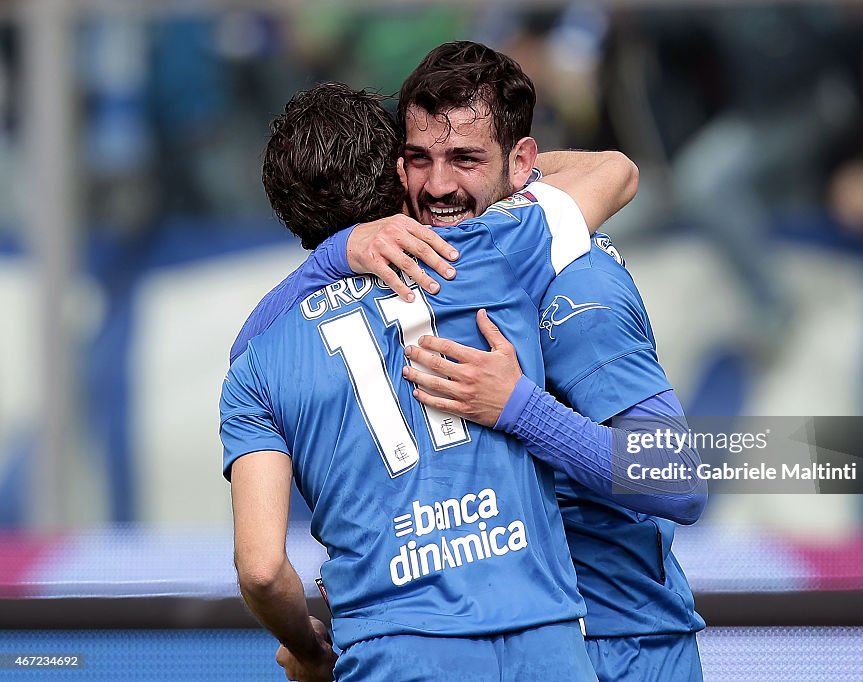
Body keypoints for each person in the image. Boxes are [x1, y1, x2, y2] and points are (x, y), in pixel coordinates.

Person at [221, 81, 642, 681]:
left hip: (395, 650)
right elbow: (615, 170)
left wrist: (310, 652)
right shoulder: (486, 249)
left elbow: (261, 568)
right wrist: (500, 167)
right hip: (544, 641)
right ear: (400, 172)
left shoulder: (256, 359)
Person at [395, 41, 707, 681]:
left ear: (521, 166)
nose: (438, 186)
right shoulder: (441, 270)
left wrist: (518, 407)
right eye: (420, 159)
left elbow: (677, 478)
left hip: (620, 650)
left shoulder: (577, 290)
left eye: (466, 159)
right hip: (519, 647)